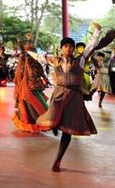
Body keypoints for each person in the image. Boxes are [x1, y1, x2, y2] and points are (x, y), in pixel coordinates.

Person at [36, 22, 101, 173]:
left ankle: (57, 161)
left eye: (71, 46)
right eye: (66, 46)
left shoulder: (81, 60)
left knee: (68, 130)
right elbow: (38, 56)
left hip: (74, 98)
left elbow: (91, 47)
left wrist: (97, 32)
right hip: (58, 95)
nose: (69, 48)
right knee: (52, 120)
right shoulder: (55, 60)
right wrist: (26, 51)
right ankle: (54, 125)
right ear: (62, 48)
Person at [12, 41, 49, 133]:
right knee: (32, 107)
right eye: (31, 50)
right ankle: (36, 123)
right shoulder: (26, 58)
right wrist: (22, 43)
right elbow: (23, 52)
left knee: (38, 106)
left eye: (33, 50)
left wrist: (45, 79)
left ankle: (41, 122)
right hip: (28, 87)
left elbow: (41, 72)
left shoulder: (36, 62)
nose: (33, 52)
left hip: (37, 87)